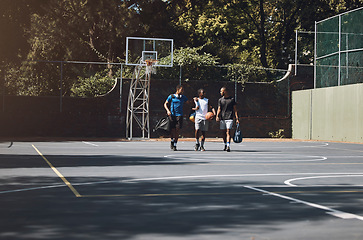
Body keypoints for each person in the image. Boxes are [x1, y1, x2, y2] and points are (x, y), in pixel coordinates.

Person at [164, 85, 188, 151]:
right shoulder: (171, 96)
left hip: (179, 115)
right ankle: (172, 140)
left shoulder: (183, 97)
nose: (182, 91)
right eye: (181, 90)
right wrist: (168, 111)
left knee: (177, 130)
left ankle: (175, 144)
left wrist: (195, 101)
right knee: (172, 130)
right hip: (172, 115)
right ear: (178, 89)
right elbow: (165, 104)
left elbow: (189, 103)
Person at [216, 86, 239, 152]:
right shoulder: (220, 100)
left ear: (225, 91)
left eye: (221, 91)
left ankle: (228, 146)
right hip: (223, 118)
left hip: (230, 118)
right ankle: (225, 144)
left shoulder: (231, 99)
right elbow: (219, 108)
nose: (220, 92)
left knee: (228, 131)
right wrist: (217, 116)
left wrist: (237, 118)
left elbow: (235, 110)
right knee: (223, 133)